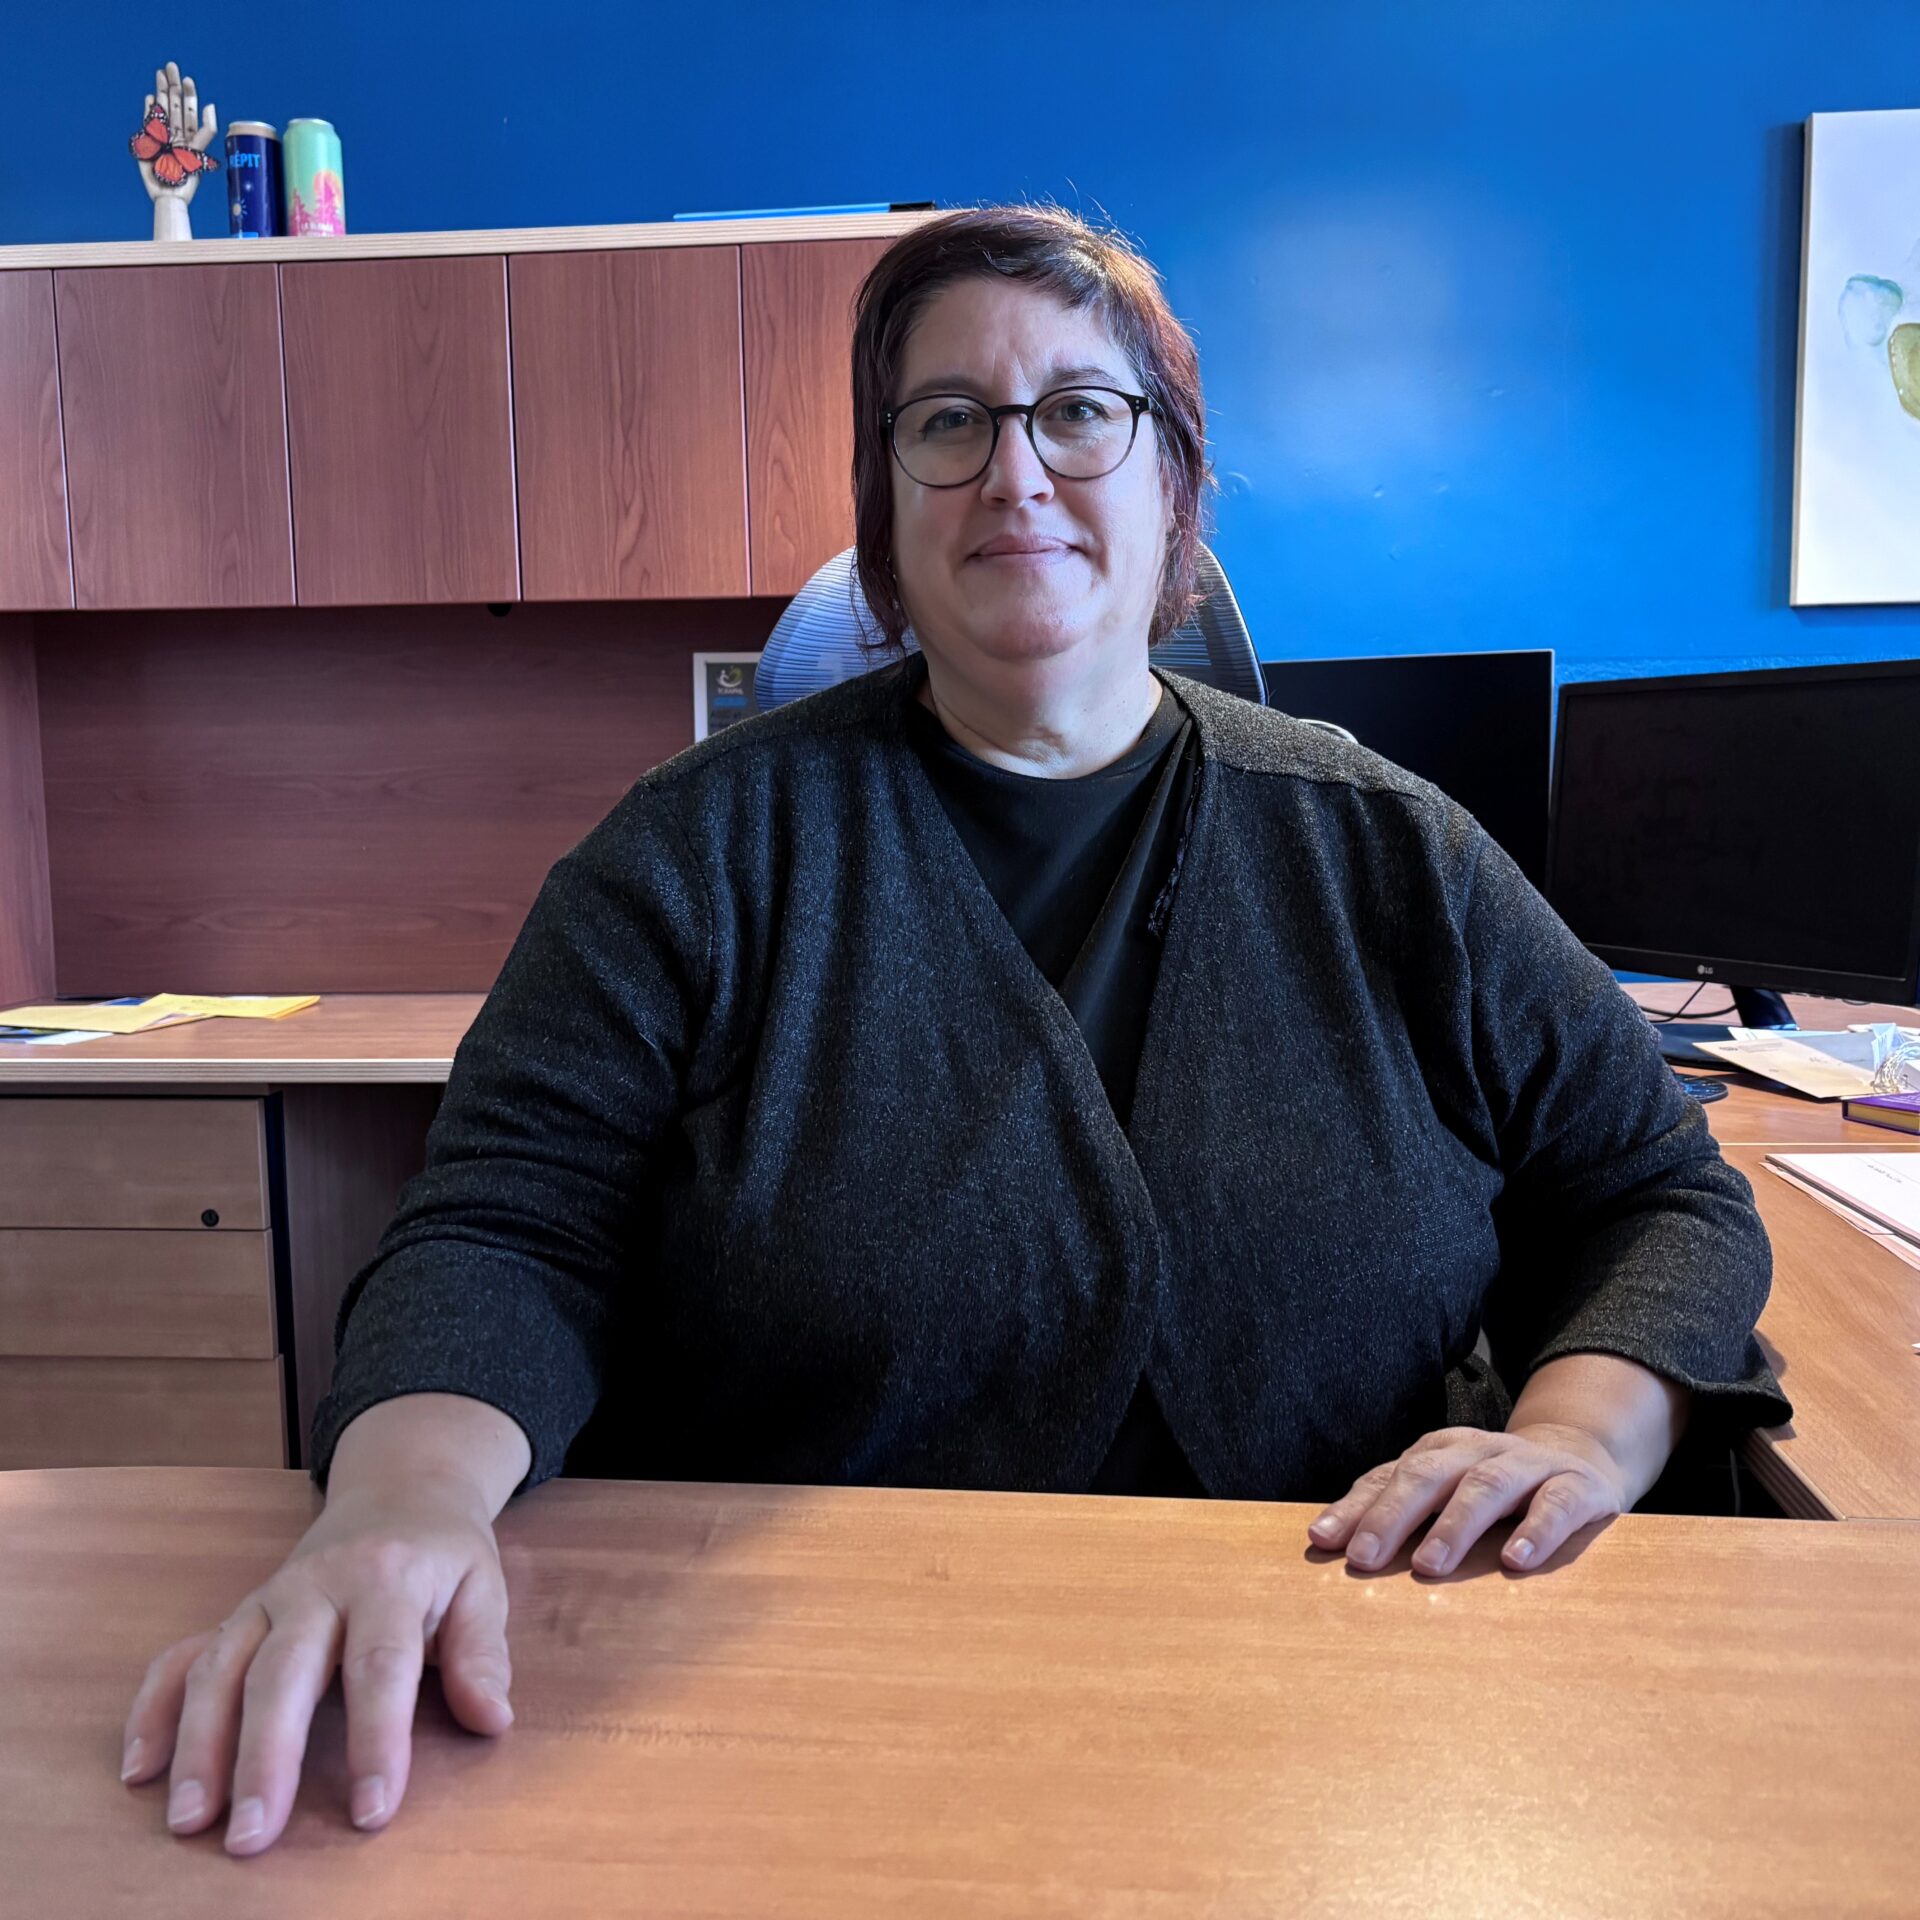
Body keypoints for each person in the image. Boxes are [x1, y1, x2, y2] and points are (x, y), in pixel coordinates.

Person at [121, 204, 1788, 1856]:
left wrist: (1578, 1434)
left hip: (1350, 1683)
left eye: (1080, 411)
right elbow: (505, 1229)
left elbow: (1661, 1194)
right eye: (947, 423)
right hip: (799, 1704)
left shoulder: (1387, 845)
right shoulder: (698, 850)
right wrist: (401, 1503)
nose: (1017, 472)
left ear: (1176, 492)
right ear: (883, 514)